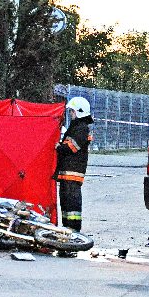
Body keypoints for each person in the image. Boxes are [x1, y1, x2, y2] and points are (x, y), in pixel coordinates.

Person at [55, 97, 94, 231]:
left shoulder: (81, 128)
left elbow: (72, 147)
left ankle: (74, 230)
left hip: (73, 174)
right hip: (67, 175)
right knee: (66, 205)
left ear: (79, 112)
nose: (71, 114)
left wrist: (58, 147)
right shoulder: (76, 127)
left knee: (72, 205)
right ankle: (67, 229)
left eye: (72, 111)